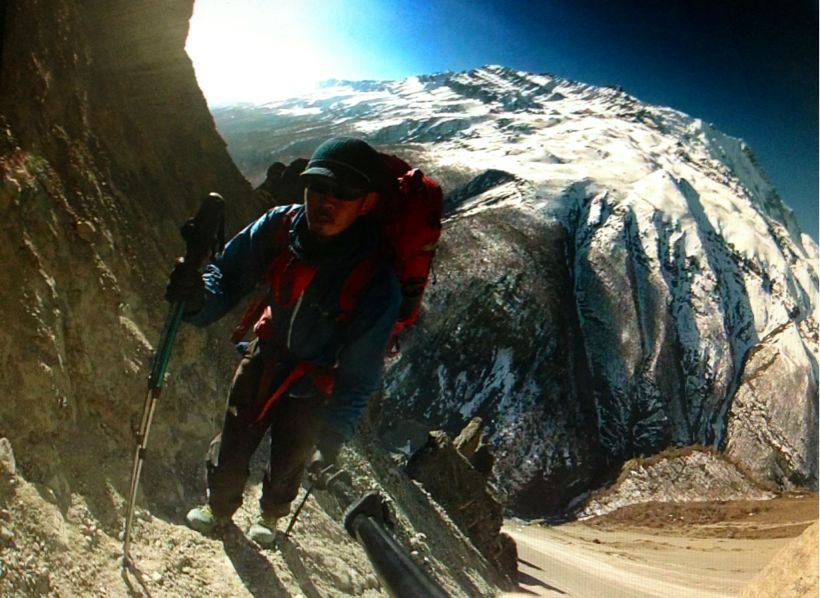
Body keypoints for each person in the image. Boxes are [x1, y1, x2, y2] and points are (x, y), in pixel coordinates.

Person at [166, 137, 401, 546]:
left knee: (292, 454)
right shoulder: (280, 227)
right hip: (267, 353)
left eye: (344, 193)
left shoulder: (377, 281)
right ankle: (219, 507)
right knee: (235, 435)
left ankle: (271, 514)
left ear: (367, 203)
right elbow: (227, 276)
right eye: (318, 187)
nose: (326, 201)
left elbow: (359, 376)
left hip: (316, 379)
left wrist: (331, 440)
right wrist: (196, 298)